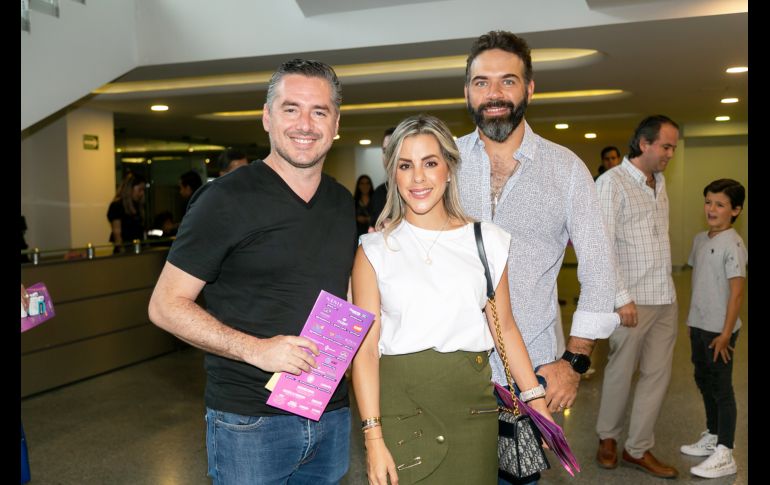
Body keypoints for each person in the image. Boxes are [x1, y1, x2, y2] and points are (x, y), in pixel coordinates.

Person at [147, 58, 356, 484]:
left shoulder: (342, 201)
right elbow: (165, 305)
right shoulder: (224, 200)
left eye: (319, 111)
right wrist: (256, 349)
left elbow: (342, 291)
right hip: (249, 422)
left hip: (331, 412)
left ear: (336, 123)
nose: (306, 124)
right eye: (290, 108)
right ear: (267, 117)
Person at [352, 114, 553, 485]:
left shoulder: (486, 240)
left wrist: (536, 400)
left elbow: (504, 327)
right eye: (405, 166)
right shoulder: (373, 250)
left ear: (448, 168)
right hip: (401, 411)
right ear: (393, 175)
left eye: (430, 163)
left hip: (472, 411)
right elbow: (365, 350)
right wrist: (372, 437)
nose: (418, 178)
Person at [456, 29, 618, 462]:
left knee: (519, 476)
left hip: (531, 376)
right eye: (481, 82)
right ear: (466, 91)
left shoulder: (566, 170)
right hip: (447, 370)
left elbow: (600, 270)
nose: (494, 94)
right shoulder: (442, 163)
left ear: (529, 87)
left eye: (507, 81)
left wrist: (574, 363)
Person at [594, 115, 680, 479]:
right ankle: (607, 438)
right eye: (666, 146)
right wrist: (620, 297)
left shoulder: (659, 183)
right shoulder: (611, 183)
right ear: (644, 144)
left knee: (656, 376)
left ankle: (638, 448)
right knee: (620, 371)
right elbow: (601, 245)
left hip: (665, 296)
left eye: (673, 147)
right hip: (631, 300)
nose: (670, 154)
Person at [681, 178, 746, 479]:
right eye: (708, 202)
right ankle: (712, 433)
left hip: (720, 331)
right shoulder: (699, 239)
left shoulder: (733, 244)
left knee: (721, 388)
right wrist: (693, 322)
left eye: (720, 204)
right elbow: (702, 283)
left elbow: (736, 294)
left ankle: (726, 451)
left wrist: (725, 332)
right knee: (703, 379)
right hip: (699, 325)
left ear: (735, 210)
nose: (711, 208)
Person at [107, 172, 146, 254]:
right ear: (130, 188)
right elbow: (117, 235)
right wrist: (123, 253)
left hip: (138, 249)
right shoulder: (117, 206)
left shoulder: (138, 205)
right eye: (139, 189)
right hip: (125, 252)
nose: (142, 193)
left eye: (143, 190)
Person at [368, 126, 397, 229]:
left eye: (393, 149)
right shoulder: (379, 193)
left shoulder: (418, 190)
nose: (388, 156)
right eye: (385, 151)